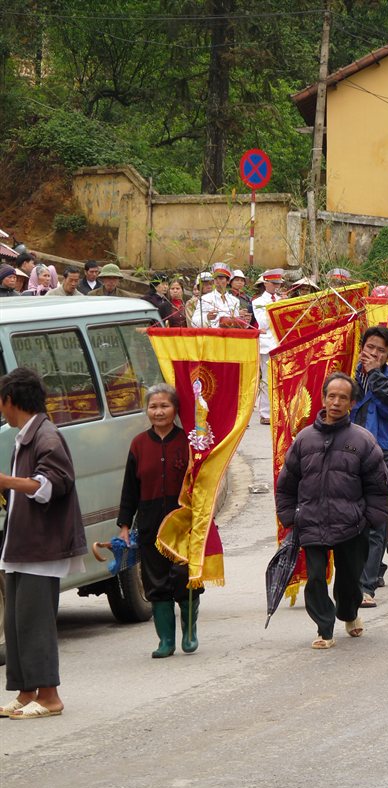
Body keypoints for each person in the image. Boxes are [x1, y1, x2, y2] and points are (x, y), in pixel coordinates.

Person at [275, 372, 388, 649]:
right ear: (323, 398)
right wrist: (290, 517)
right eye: (332, 396)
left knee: (349, 579)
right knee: (315, 577)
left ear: (351, 403)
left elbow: (380, 487)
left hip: (351, 524)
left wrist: (369, 521)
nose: (336, 402)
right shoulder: (304, 439)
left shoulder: (362, 440)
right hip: (312, 523)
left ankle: (349, 613)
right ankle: (324, 628)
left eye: (343, 397)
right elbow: (286, 483)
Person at [0, 367, 87, 719]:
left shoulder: (47, 436)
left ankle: (50, 696)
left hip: (42, 547)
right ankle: (26, 692)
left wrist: (6, 481)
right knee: (17, 624)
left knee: (35, 622)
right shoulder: (26, 436)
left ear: (11, 400)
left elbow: (54, 483)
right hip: (22, 546)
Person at [117, 383, 201, 658]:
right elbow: (130, 488)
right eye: (153, 406)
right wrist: (125, 526)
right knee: (156, 582)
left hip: (183, 522)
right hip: (150, 522)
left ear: (176, 409)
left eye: (164, 405)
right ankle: (166, 640)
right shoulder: (138, 444)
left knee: (184, 578)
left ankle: (189, 631)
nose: (158, 411)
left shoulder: (189, 441)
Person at [349, 326, 388, 601]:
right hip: (348, 455)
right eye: (369, 347)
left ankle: (366, 586)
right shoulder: (348, 377)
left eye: (380, 351)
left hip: (381, 457)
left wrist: (373, 375)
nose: (373, 354)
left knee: (377, 523)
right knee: (352, 521)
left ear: (387, 357)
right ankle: (374, 567)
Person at [252, 268, 284, 424]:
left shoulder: (282, 299)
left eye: (278, 283)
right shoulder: (258, 302)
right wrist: (278, 308)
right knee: (266, 378)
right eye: (274, 283)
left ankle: (279, 411)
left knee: (280, 379)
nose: (276, 287)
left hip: (281, 342)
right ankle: (265, 413)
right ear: (266, 284)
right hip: (267, 344)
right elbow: (264, 323)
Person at [192, 263, 240, 329]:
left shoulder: (234, 301)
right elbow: (194, 322)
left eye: (221, 278)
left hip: (229, 336)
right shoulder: (205, 299)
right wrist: (207, 317)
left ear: (228, 281)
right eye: (215, 278)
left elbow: (238, 324)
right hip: (212, 336)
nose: (217, 281)